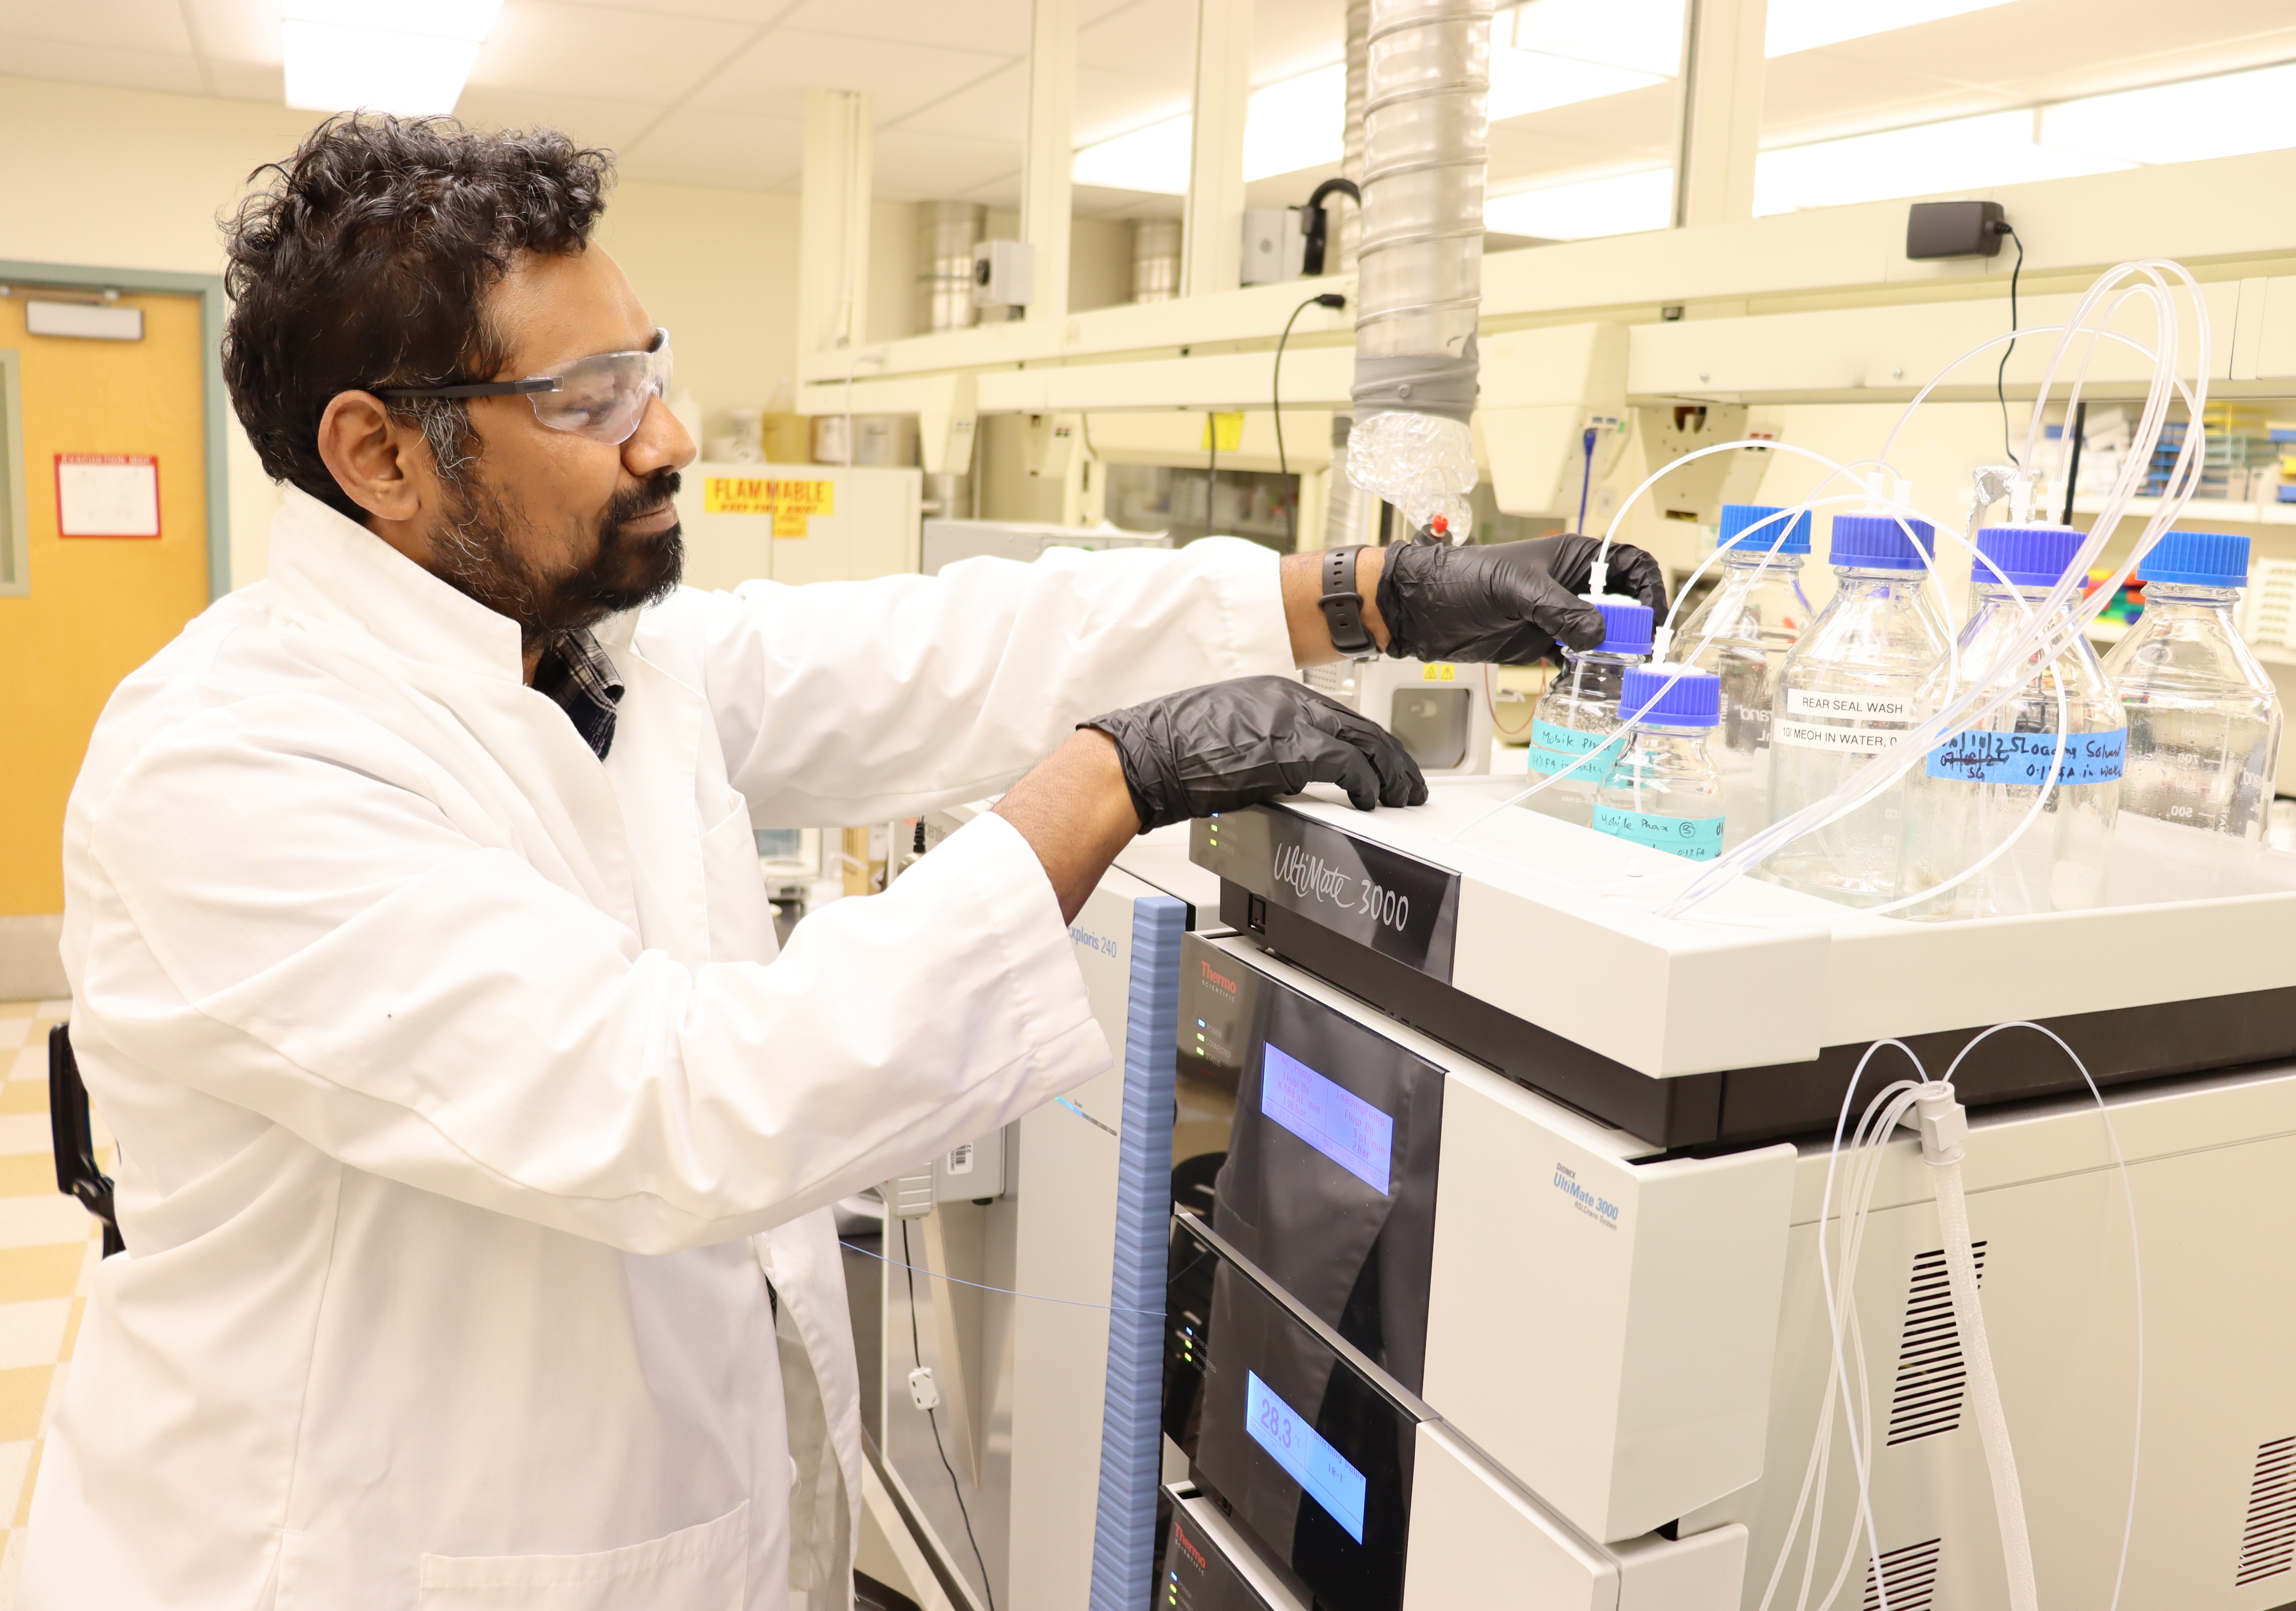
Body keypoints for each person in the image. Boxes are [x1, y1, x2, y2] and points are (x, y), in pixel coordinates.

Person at [24, 116, 1667, 1611]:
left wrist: (1363, 594)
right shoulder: (231, 762)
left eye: (648, 368)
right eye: (587, 401)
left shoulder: (581, 655)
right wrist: (1112, 779)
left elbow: (936, 649)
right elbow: (682, 1101)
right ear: (381, 455)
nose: (664, 435)